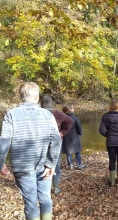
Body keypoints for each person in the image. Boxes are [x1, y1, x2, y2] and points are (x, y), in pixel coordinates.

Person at [0, 82, 61, 220]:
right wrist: (51, 164)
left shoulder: (11, 114)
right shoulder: (47, 115)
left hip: (22, 166)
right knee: (45, 199)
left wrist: (1, 163)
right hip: (43, 164)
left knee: (31, 203)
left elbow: (4, 141)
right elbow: (56, 140)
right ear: (37, 96)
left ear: (21, 97)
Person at [40, 95, 74, 195]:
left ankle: (43, 188)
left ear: (41, 104)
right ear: (51, 104)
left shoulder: (38, 112)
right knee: (55, 164)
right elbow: (70, 121)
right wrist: (62, 132)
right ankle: (55, 187)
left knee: (41, 164)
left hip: (40, 143)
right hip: (55, 143)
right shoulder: (57, 113)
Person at [62, 103, 86, 170]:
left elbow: (61, 128)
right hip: (75, 138)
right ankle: (79, 165)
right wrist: (80, 134)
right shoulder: (75, 118)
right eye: (72, 108)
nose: (73, 108)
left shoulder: (63, 118)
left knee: (68, 153)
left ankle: (70, 165)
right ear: (71, 110)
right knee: (77, 152)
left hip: (66, 137)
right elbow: (79, 128)